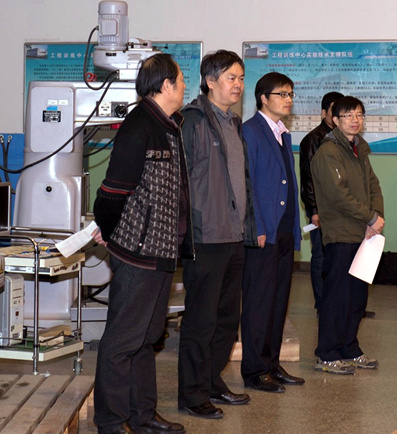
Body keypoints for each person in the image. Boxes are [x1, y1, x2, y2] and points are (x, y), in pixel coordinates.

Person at [92, 53, 187, 434]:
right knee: (122, 342)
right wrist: (111, 231)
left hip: (161, 252)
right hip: (138, 254)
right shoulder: (139, 127)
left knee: (147, 338)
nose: (184, 87)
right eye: (181, 80)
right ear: (165, 85)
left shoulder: (169, 125)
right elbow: (111, 193)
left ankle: (142, 415)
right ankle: (112, 422)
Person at [177, 50, 257, 419]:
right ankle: (192, 395)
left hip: (233, 235)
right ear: (210, 81)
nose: (238, 85)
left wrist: (248, 227)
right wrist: (186, 231)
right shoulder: (192, 121)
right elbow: (181, 181)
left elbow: (241, 181)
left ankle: (211, 381)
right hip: (205, 237)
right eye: (231, 78)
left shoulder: (234, 123)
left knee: (226, 319)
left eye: (241, 78)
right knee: (201, 320)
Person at [311, 96, 384, 375]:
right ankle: (327, 353)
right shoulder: (328, 152)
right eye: (348, 115)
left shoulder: (359, 150)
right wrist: (370, 217)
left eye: (359, 115)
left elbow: (374, 187)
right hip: (341, 233)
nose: (355, 120)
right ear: (335, 120)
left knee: (357, 297)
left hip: (363, 234)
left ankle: (350, 348)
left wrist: (375, 217)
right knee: (337, 296)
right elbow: (338, 195)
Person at [241, 72, 304, 393]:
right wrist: (259, 227)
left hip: (283, 230)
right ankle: (254, 370)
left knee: (279, 302)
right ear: (263, 98)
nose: (288, 99)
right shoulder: (250, 131)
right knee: (259, 303)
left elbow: (286, 184)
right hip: (264, 232)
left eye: (291, 94)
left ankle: (272, 364)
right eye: (282, 94)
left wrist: (292, 228)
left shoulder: (282, 133)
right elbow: (248, 184)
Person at [299, 91, 344, 309]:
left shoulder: (344, 138)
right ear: (324, 113)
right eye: (334, 111)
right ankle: (322, 303)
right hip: (322, 209)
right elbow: (308, 179)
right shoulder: (313, 139)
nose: (337, 116)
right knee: (320, 255)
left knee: (340, 255)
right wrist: (314, 210)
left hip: (342, 208)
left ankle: (337, 301)